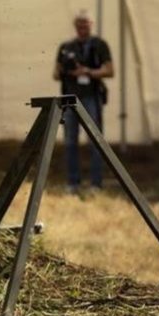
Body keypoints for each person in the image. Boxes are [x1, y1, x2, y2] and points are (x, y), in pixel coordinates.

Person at [53, 11, 113, 193]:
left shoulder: (99, 45)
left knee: (95, 140)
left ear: (91, 25)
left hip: (91, 97)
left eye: (85, 24)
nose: (82, 28)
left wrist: (88, 72)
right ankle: (73, 183)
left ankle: (96, 183)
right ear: (75, 26)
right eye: (79, 25)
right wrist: (69, 71)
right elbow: (56, 73)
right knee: (70, 141)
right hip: (70, 98)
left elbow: (109, 70)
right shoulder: (66, 47)